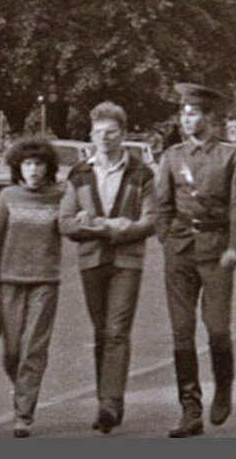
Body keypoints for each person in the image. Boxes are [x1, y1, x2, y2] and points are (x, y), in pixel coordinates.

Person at [154, 83, 236, 437]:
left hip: (216, 251)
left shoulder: (231, 156)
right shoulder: (171, 157)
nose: (186, 119)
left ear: (209, 118)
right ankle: (190, 408)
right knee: (181, 332)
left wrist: (235, 248)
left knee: (216, 328)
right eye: (183, 113)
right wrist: (166, 237)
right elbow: (161, 205)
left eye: (193, 113)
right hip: (180, 251)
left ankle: (223, 386)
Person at [58, 102, 157, 434]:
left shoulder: (140, 173)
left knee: (116, 331)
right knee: (101, 332)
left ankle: (110, 405)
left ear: (124, 135)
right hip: (91, 260)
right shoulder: (80, 174)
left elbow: (151, 219)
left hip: (127, 262)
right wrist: (99, 227)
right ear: (91, 134)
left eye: (111, 132)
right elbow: (66, 222)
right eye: (98, 132)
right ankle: (106, 401)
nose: (104, 138)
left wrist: (126, 229)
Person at [0, 136, 65, 437]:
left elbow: (71, 225)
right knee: (13, 350)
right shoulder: (7, 197)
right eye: (28, 164)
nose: (33, 170)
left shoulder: (59, 196)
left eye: (39, 164)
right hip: (9, 283)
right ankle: (21, 389)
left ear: (48, 168)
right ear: (19, 167)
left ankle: (23, 414)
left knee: (33, 348)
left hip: (45, 282)